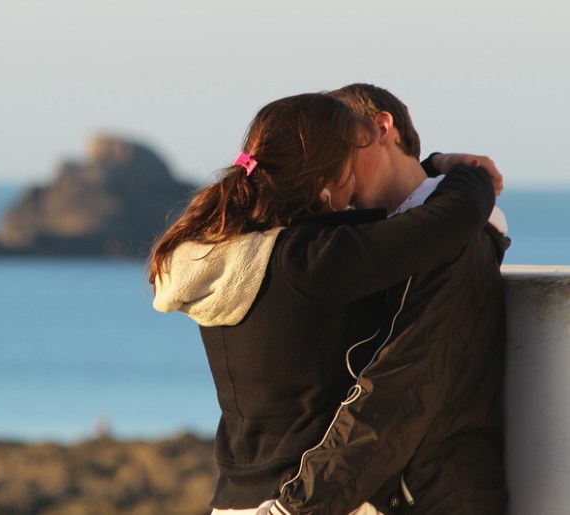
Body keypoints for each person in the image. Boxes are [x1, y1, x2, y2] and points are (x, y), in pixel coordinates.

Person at [149, 92, 499, 514]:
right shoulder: (310, 261)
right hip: (294, 498)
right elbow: (451, 218)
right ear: (325, 177)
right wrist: (462, 171)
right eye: (349, 161)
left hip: (233, 501)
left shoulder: (231, 253)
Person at [266, 84, 510, 514]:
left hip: (430, 497)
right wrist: (438, 163)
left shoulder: (455, 242)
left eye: (338, 150)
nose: (329, 174)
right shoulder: (373, 241)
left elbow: (401, 392)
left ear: (382, 128)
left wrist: (297, 508)